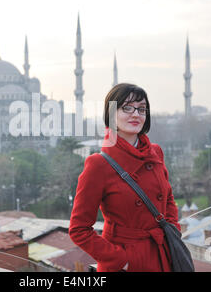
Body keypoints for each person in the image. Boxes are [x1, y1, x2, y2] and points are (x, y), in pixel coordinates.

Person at [69, 83, 181, 272]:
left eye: (142, 109)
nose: (136, 114)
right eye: (127, 108)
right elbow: (79, 229)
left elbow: (167, 198)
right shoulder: (98, 164)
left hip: (163, 254)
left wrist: (172, 230)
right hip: (127, 263)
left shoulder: (155, 152)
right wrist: (122, 259)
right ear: (111, 113)